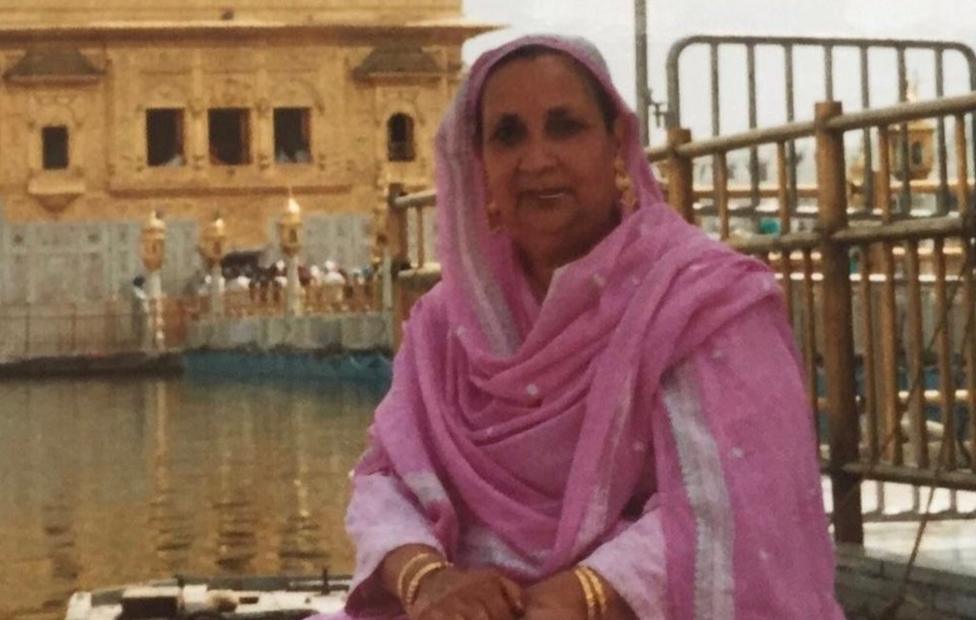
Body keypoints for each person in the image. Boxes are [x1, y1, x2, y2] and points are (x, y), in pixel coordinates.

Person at [315, 35, 843, 620]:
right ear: (479, 163)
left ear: (614, 142)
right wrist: (429, 580)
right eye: (508, 135)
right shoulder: (448, 323)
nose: (537, 159)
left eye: (565, 127)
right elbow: (385, 478)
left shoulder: (702, 301)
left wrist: (581, 594)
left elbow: (732, 502)